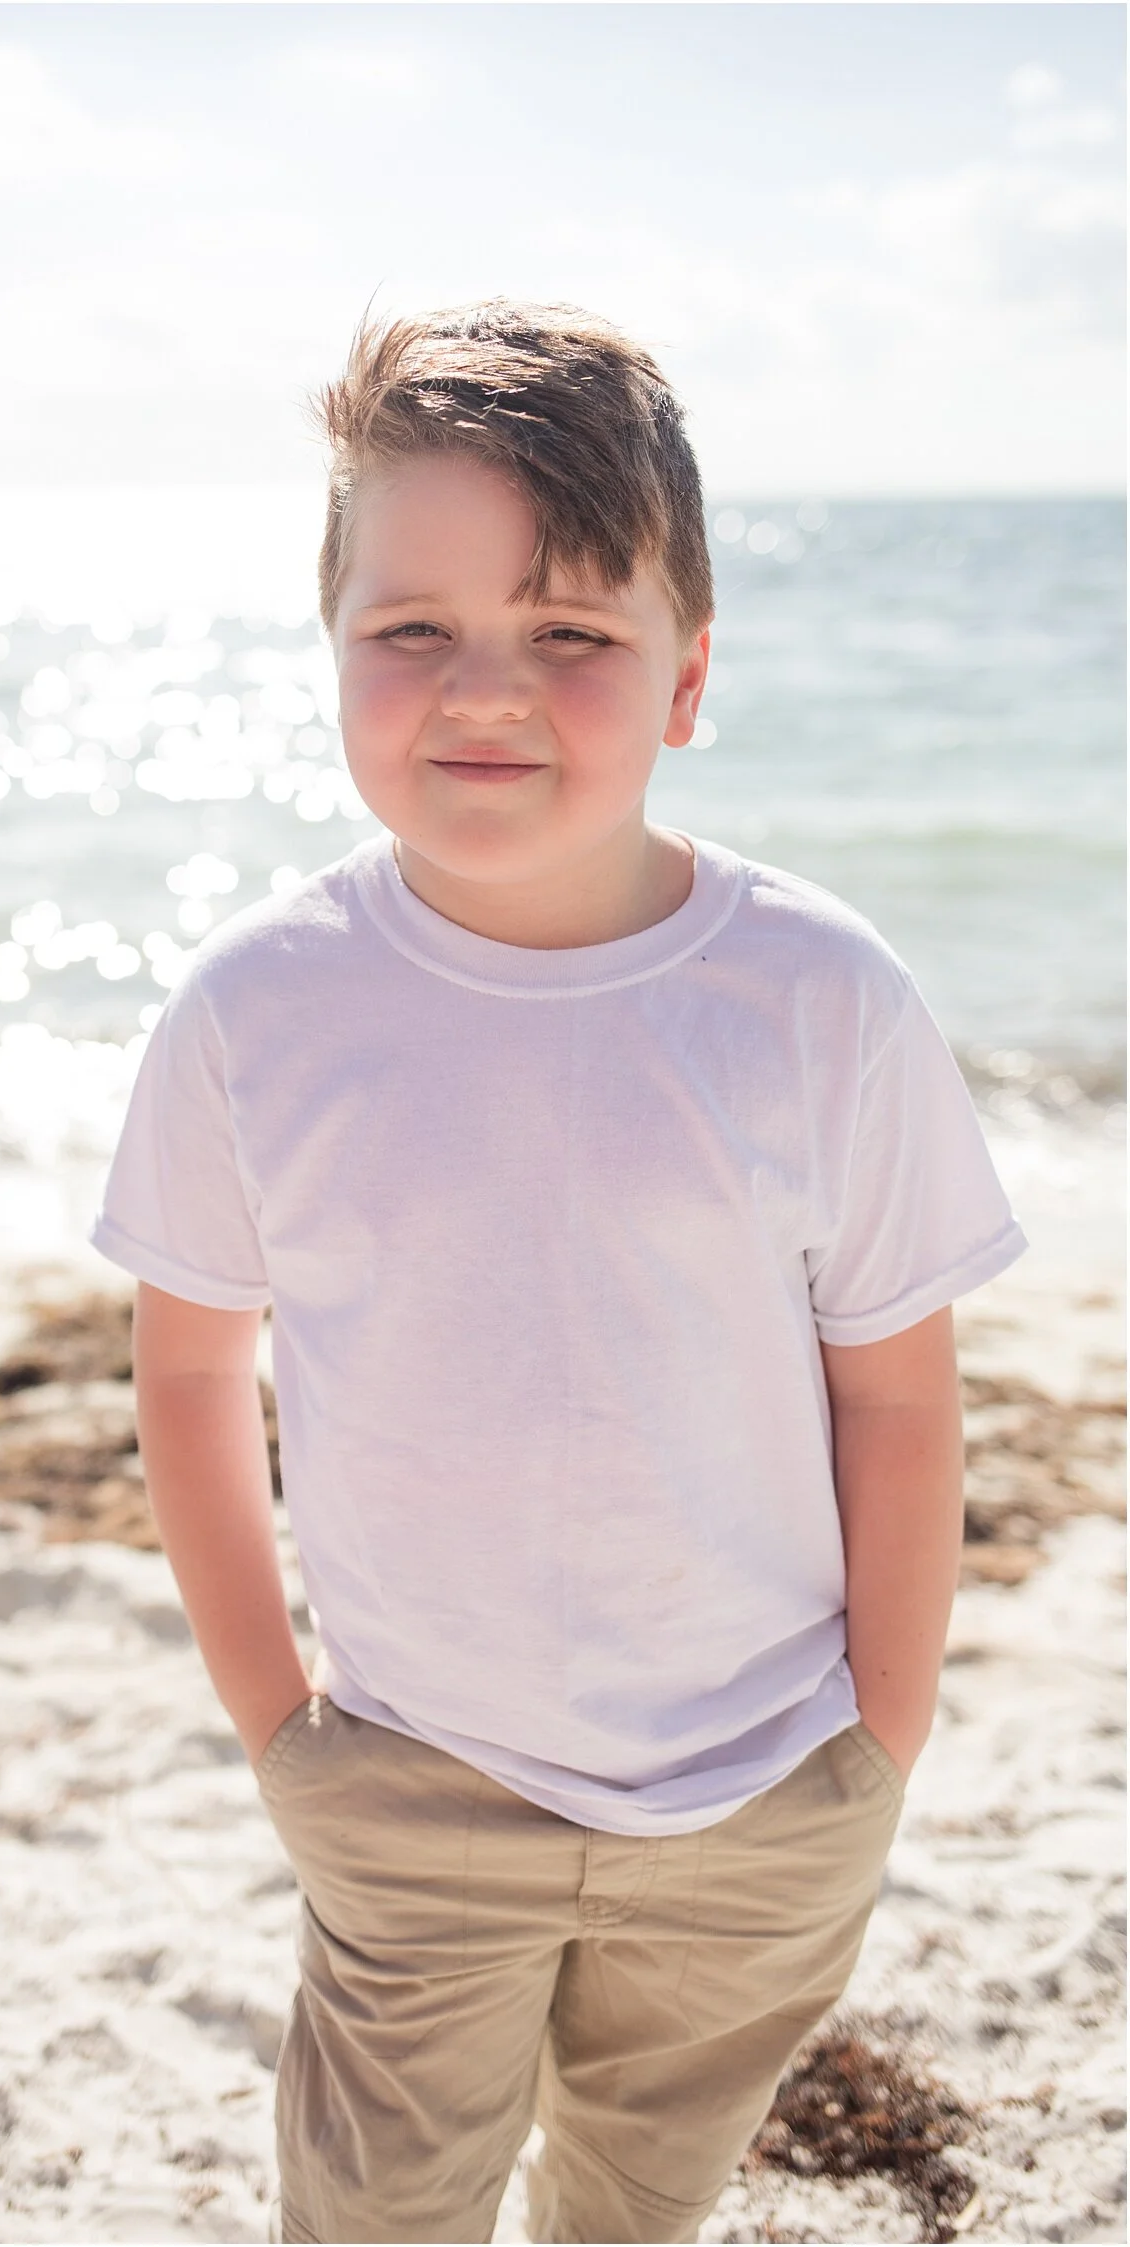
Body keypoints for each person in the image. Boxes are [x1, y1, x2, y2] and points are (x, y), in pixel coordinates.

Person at [91, 300, 1027, 2245]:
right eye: (412, 627)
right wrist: (281, 1726)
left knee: (635, 2201)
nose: (485, 691)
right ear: (331, 643)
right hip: (412, 1783)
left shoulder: (818, 999)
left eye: (573, 634)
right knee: (376, 2213)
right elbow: (190, 1373)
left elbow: (895, 1388)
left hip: (768, 1787)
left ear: (690, 676)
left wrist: (883, 1733)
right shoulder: (259, 1012)